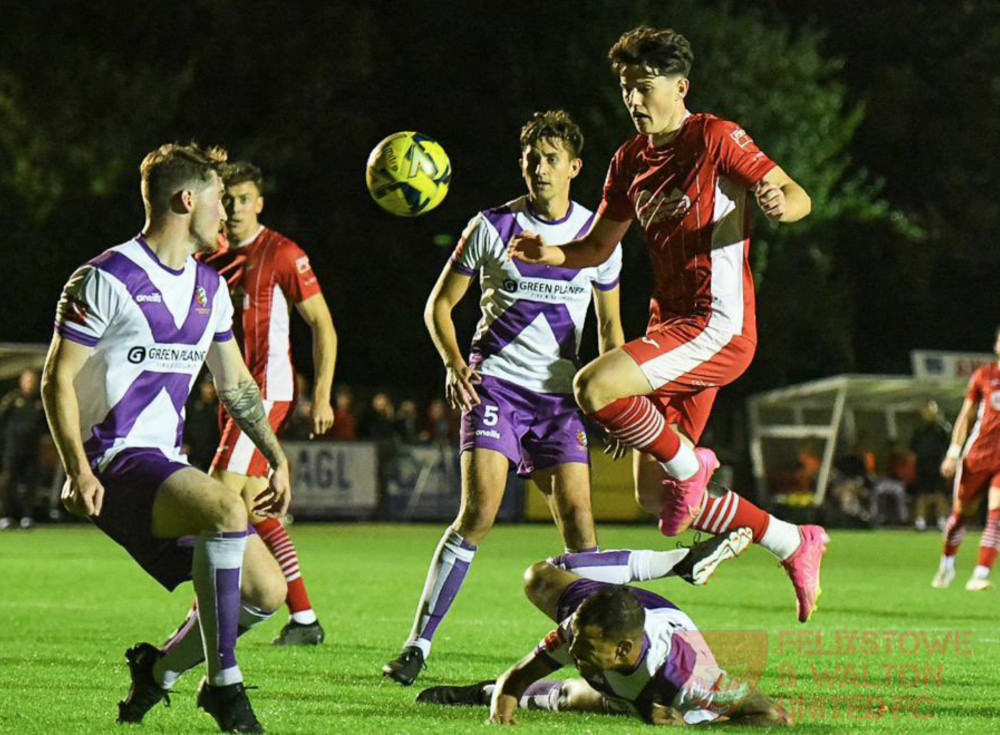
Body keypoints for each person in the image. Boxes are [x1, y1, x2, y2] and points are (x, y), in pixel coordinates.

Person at [510, 26, 827, 622]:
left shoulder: (714, 136)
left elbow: (790, 189)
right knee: (655, 500)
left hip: (718, 325)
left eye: (645, 85)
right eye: (627, 87)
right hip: (674, 329)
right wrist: (555, 255)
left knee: (594, 387)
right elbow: (600, 244)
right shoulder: (628, 160)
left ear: (681, 87)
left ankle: (689, 462)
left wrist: (786, 203)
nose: (634, 99)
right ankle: (792, 540)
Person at [42, 143, 291, 732]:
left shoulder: (209, 287)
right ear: (186, 200)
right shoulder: (105, 277)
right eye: (217, 200)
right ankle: (225, 687)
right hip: (116, 463)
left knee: (268, 592)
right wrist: (78, 468)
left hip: (165, 465)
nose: (225, 215)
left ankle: (157, 672)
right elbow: (57, 378)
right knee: (227, 508)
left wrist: (276, 456)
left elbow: (235, 384)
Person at [383, 110, 625, 685]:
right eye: (530, 159)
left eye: (549, 159)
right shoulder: (490, 226)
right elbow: (438, 306)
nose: (538, 169)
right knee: (480, 512)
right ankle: (418, 644)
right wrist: (452, 362)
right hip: (497, 387)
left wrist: (615, 401)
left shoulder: (598, 237)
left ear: (574, 167)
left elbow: (610, 331)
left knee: (581, 528)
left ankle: (601, 657)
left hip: (560, 400)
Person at [417, 529, 789, 727]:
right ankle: (679, 561)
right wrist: (502, 703)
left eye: (585, 647)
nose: (573, 651)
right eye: (574, 640)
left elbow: (773, 715)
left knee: (569, 700)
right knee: (540, 576)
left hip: (651, 671)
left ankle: (480, 691)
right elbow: (519, 675)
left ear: (623, 649)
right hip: (618, 612)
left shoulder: (691, 677)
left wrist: (695, 727)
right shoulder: (579, 631)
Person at [202, 161, 338, 645]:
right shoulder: (211, 256)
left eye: (245, 198)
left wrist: (321, 394)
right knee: (253, 505)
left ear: (259, 203)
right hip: (232, 396)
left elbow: (322, 323)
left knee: (214, 500)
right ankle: (304, 620)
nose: (236, 207)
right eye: (229, 198)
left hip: (265, 394)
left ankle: (203, 622)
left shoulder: (283, 254)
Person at [933, 328, 1000, 591]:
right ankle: (947, 564)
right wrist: (953, 453)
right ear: (996, 345)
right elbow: (967, 416)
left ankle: (981, 574)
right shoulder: (984, 376)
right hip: (977, 456)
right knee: (961, 516)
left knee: (997, 514)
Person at [0, 369, 45, 529]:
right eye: (27, 380)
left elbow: (45, 425)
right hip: (13, 449)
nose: (29, 383)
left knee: (30, 483)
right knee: (9, 481)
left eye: (32, 380)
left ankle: (27, 516)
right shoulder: (13, 399)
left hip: (32, 449)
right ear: (21, 381)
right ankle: (6, 516)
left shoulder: (40, 401)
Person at [910, 400, 951, 531]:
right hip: (923, 467)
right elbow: (913, 450)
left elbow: (948, 447)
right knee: (922, 494)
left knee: (940, 494)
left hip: (938, 466)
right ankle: (921, 522)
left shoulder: (943, 429)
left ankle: (942, 521)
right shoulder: (919, 430)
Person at [183, 374, 221, 472]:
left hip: (212, 454)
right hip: (193, 452)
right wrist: (184, 442)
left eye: (212, 386)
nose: (209, 389)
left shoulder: (220, 408)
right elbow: (184, 424)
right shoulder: (192, 404)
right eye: (207, 386)